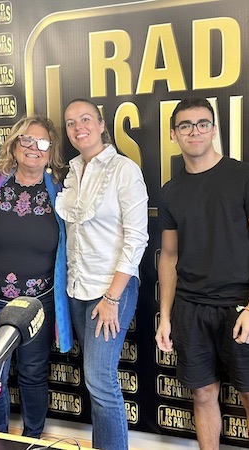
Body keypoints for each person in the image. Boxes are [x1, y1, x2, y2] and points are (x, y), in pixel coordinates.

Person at [155, 98, 249, 450]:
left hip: (240, 306)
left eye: (202, 124)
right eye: (185, 125)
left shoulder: (245, 177)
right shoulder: (170, 191)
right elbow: (169, 256)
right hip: (190, 309)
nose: (194, 131)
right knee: (203, 394)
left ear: (213, 130)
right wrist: (166, 317)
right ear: (174, 134)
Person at [0, 115, 73, 437]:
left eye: (42, 143)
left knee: (33, 373)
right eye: (26, 140)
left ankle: (32, 438)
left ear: (50, 152)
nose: (34, 147)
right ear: (14, 145)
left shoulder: (61, 191)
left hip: (37, 306)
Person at [54, 99, 148, 450]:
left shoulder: (124, 170)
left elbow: (137, 238)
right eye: (70, 123)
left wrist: (111, 297)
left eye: (85, 119)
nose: (78, 127)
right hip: (77, 289)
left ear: (101, 124)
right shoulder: (71, 172)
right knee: (96, 378)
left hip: (111, 290)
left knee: (100, 378)